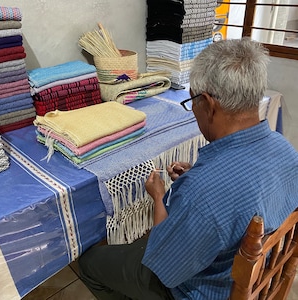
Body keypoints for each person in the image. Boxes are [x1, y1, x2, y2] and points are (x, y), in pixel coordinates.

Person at [78, 38, 298, 299]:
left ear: (208, 103)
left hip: (202, 291)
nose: (193, 109)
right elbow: (240, 190)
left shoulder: (202, 192)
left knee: (89, 263)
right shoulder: (285, 150)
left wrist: (159, 197)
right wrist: (198, 175)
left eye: (192, 100)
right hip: (254, 276)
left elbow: (164, 266)